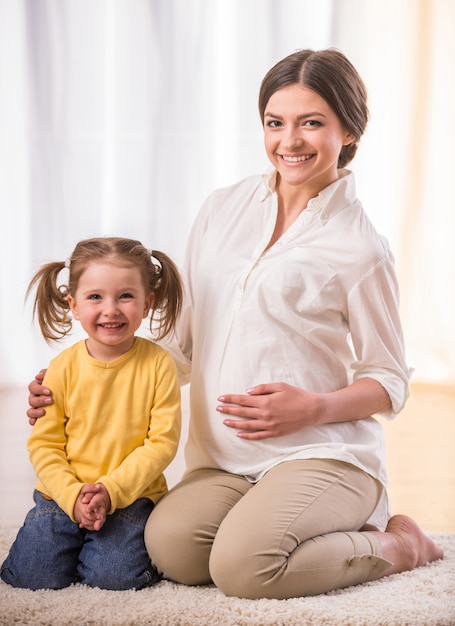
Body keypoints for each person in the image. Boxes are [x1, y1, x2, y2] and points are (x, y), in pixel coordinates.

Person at [26, 49, 443, 600]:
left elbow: (389, 380)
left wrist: (312, 407)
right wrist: (83, 384)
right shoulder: (222, 209)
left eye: (311, 122)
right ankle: (268, 517)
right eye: (276, 123)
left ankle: (400, 546)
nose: (289, 141)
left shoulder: (360, 247)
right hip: (223, 461)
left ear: (349, 129)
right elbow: (182, 344)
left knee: (244, 569)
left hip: (322, 454)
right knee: (170, 550)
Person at [3, 237, 182, 590]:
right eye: (95, 297)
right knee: (31, 577)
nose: (111, 309)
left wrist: (110, 491)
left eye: (125, 296)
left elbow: (161, 444)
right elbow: (45, 446)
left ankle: (122, 554)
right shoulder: (62, 367)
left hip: (130, 496)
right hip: (61, 494)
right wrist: (72, 497)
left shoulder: (160, 364)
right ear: (73, 304)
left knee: (113, 577)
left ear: (148, 303)